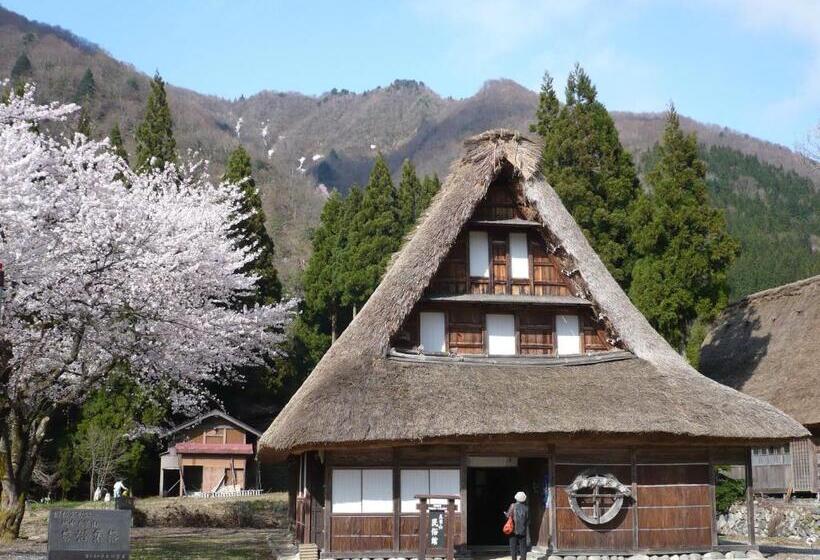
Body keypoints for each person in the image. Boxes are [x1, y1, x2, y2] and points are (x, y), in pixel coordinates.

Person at [505, 491, 529, 560]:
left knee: (513, 547)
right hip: (523, 530)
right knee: (523, 547)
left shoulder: (513, 506)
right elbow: (528, 520)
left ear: (516, 498)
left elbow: (508, 516)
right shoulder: (526, 508)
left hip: (513, 530)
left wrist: (506, 514)